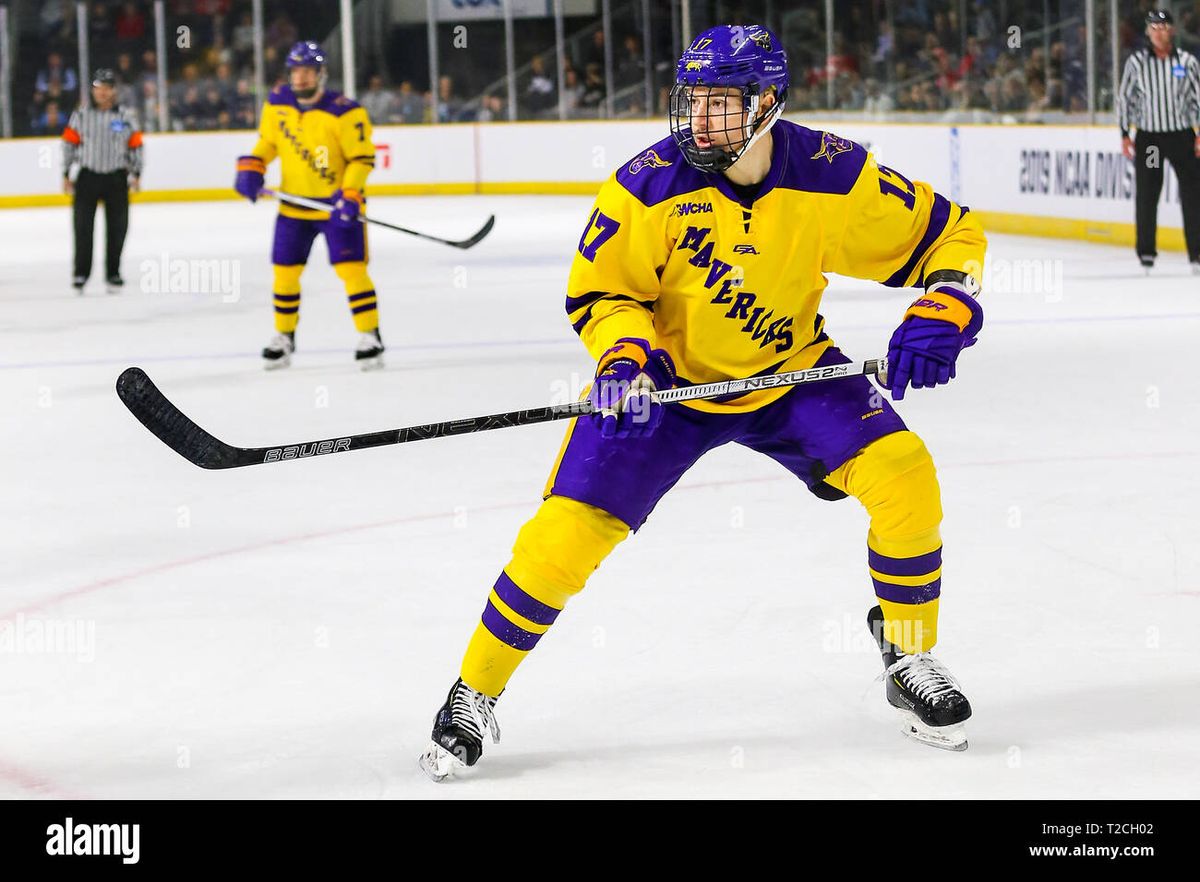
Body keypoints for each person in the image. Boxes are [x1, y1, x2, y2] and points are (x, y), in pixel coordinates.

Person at [418, 24, 987, 781]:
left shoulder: (833, 173)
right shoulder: (645, 184)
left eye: (723, 103)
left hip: (789, 372)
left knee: (905, 473)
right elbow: (604, 291)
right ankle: (473, 692)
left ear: (769, 103)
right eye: (693, 101)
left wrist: (946, 306)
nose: (700, 120)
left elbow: (952, 236)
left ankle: (909, 652)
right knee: (564, 536)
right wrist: (624, 354)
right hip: (667, 389)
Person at [234, 40, 385, 370]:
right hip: (293, 208)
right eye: (295, 70)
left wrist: (351, 194)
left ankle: (370, 334)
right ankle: (284, 337)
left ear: (321, 73)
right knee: (284, 273)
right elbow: (269, 143)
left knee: (352, 270)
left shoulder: (346, 111)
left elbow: (361, 159)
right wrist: (253, 166)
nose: (300, 77)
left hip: (336, 208)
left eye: (307, 71)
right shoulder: (277, 103)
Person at [1118, 9, 1200, 273]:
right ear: (1147, 32)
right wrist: (1124, 134)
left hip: (1181, 135)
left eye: (1163, 26)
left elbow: (1198, 99)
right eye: (1154, 27)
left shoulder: (1187, 62)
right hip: (1150, 137)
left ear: (1172, 30)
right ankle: (1146, 253)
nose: (1159, 32)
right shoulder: (1137, 62)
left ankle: (1197, 253)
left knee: (1192, 195)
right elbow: (1124, 99)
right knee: (1147, 194)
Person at [62, 68, 143, 294]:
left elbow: (135, 145)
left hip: (116, 177)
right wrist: (66, 173)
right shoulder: (81, 116)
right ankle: (80, 273)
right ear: (93, 91)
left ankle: (113, 273)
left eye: (107, 89)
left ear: (114, 91)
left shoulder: (125, 117)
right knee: (82, 228)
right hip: (88, 176)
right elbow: (69, 144)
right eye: (99, 89)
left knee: (117, 229)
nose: (103, 93)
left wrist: (136, 173)